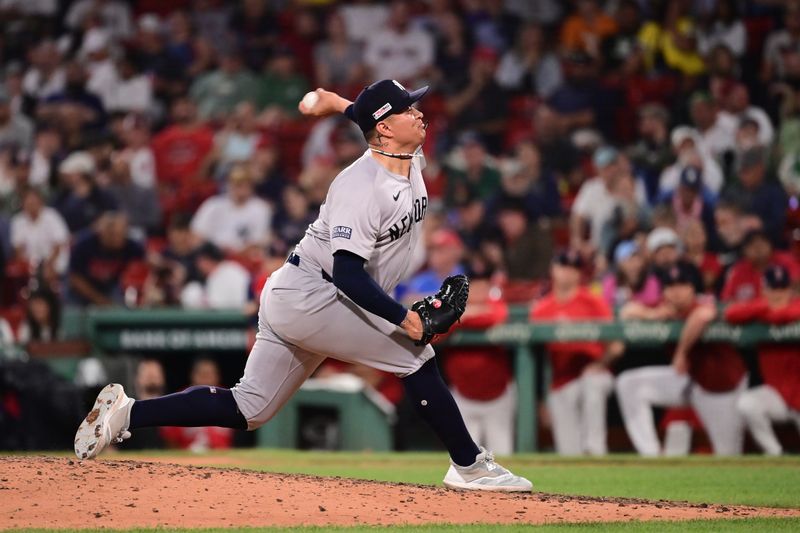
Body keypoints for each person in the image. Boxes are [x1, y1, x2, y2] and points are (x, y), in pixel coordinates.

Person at [74, 80, 532, 492]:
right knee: (416, 356)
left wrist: (335, 102)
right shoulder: (360, 186)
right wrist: (404, 317)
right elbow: (350, 274)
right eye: (409, 108)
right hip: (315, 294)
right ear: (387, 129)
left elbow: (363, 113)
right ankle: (469, 465)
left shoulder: (406, 155)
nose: (419, 113)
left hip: (305, 294)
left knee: (249, 408)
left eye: (415, 106)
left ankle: (127, 413)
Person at [616, 262, 748, 456]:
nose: (676, 291)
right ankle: (651, 455)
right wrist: (652, 314)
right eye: (670, 286)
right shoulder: (665, 307)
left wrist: (681, 352)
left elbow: (703, 315)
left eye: (682, 285)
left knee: (727, 454)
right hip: (689, 377)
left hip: (721, 384)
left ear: (692, 287)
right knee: (628, 383)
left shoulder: (702, 301)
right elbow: (626, 311)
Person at [531, 250, 623, 456]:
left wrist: (600, 363)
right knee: (568, 451)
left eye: (573, 268)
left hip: (593, 371)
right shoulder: (541, 309)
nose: (567, 273)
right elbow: (536, 359)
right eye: (562, 266)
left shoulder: (593, 301)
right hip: (561, 381)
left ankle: (595, 449)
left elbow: (617, 345)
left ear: (579, 273)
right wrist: (542, 398)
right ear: (553, 270)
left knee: (593, 381)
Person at [442, 258, 515, 455]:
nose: (479, 290)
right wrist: (463, 315)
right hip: (463, 396)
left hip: (497, 396)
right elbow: (434, 333)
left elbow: (497, 316)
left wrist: (463, 317)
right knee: (463, 458)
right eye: (474, 284)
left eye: (483, 284)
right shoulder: (452, 305)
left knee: (503, 456)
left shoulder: (494, 302)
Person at [725, 265, 800, 455]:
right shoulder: (759, 306)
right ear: (764, 290)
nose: (777, 294)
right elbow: (730, 313)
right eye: (772, 289)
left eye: (782, 288)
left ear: (790, 289)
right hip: (777, 392)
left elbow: (790, 312)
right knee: (747, 403)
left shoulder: (796, 304)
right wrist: (764, 306)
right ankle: (775, 454)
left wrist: (769, 313)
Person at [161, 358, 234, 452]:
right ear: (193, 376)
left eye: (210, 375)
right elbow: (170, 439)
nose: (206, 379)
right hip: (188, 460)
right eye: (203, 375)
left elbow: (241, 437)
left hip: (223, 459)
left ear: (217, 376)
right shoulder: (179, 399)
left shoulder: (228, 399)